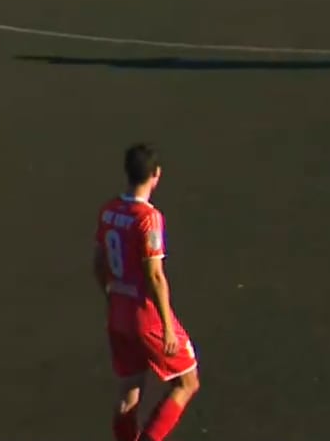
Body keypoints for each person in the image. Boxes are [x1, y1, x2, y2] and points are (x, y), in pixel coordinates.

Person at [94, 144, 201, 441]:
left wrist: (111, 297)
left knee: (130, 390)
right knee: (187, 382)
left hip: (118, 312)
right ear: (156, 175)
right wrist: (167, 325)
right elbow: (154, 274)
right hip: (146, 317)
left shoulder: (108, 212)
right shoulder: (148, 218)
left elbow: (99, 262)